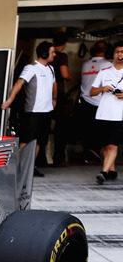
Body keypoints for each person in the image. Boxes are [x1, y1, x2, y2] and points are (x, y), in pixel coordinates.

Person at [1, 41, 57, 177]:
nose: (54, 55)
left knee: (39, 141)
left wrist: (54, 99)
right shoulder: (31, 68)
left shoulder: (51, 69)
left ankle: (30, 167)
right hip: (33, 111)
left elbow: (54, 84)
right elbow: (19, 84)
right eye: (52, 52)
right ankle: (15, 166)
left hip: (47, 111)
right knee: (27, 140)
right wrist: (9, 100)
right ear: (44, 53)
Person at [89, 41, 123, 184]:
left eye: (122, 52)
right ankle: (112, 170)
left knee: (112, 145)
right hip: (103, 113)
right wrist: (103, 89)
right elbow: (91, 92)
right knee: (106, 145)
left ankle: (103, 172)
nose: (120, 54)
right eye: (117, 52)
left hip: (119, 114)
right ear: (113, 54)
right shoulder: (104, 72)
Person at [78, 41, 112, 162]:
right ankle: (94, 155)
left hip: (84, 101)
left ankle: (87, 154)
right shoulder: (108, 65)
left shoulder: (85, 64)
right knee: (99, 132)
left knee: (86, 131)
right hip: (100, 103)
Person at [51, 32, 73, 166]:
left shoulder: (48, 55)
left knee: (44, 125)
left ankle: (39, 158)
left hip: (46, 94)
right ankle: (58, 158)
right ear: (64, 44)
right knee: (61, 128)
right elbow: (65, 74)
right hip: (58, 94)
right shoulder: (62, 56)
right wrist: (71, 77)